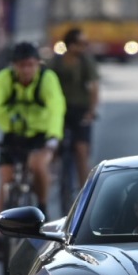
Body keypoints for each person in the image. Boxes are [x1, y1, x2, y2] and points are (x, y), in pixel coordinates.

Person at [0, 41, 67, 256]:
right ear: (13, 66)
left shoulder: (47, 80)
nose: (26, 70)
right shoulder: (4, 80)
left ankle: (43, 206)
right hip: (13, 136)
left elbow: (56, 107)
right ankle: (0, 236)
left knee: (37, 166)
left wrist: (54, 137)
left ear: (38, 64)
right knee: (6, 179)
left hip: (41, 136)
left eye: (30, 65)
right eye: (21, 65)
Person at [49, 27, 100, 200]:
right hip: (59, 110)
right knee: (52, 145)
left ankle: (85, 194)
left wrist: (91, 112)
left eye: (85, 44)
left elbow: (94, 87)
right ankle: (51, 176)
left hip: (80, 110)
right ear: (70, 45)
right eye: (80, 44)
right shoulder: (56, 62)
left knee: (81, 151)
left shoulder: (86, 62)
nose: (83, 47)